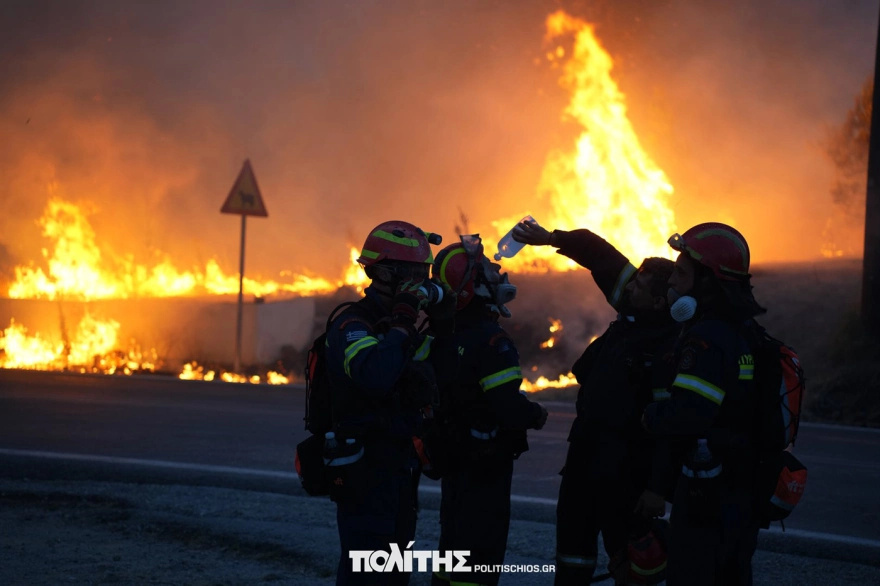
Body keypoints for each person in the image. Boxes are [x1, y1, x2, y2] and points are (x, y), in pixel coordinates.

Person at [512, 219, 679, 586]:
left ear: (659, 300)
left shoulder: (667, 347)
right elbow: (600, 253)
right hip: (584, 459)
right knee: (572, 553)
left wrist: (657, 489)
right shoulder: (635, 310)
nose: (628, 286)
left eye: (638, 285)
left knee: (630, 561)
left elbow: (671, 426)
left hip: (628, 471)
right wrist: (551, 238)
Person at [641, 222, 767, 586]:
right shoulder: (744, 331)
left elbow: (689, 416)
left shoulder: (706, 340)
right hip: (739, 490)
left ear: (707, 282)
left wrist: (651, 416)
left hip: (708, 497)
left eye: (681, 273)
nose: (672, 283)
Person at [426, 234, 549, 586]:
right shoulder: (490, 341)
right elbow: (507, 406)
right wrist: (534, 414)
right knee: (480, 551)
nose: (499, 276)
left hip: (453, 456)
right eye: (488, 273)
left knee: (453, 545)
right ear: (472, 287)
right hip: (484, 462)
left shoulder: (443, 334)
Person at [324, 219, 442, 586]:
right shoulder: (352, 324)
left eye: (422, 274)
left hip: (398, 467)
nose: (418, 284)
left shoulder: (399, 324)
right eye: (411, 275)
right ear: (383, 273)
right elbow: (375, 375)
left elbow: (424, 372)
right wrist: (403, 324)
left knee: (394, 572)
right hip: (364, 471)